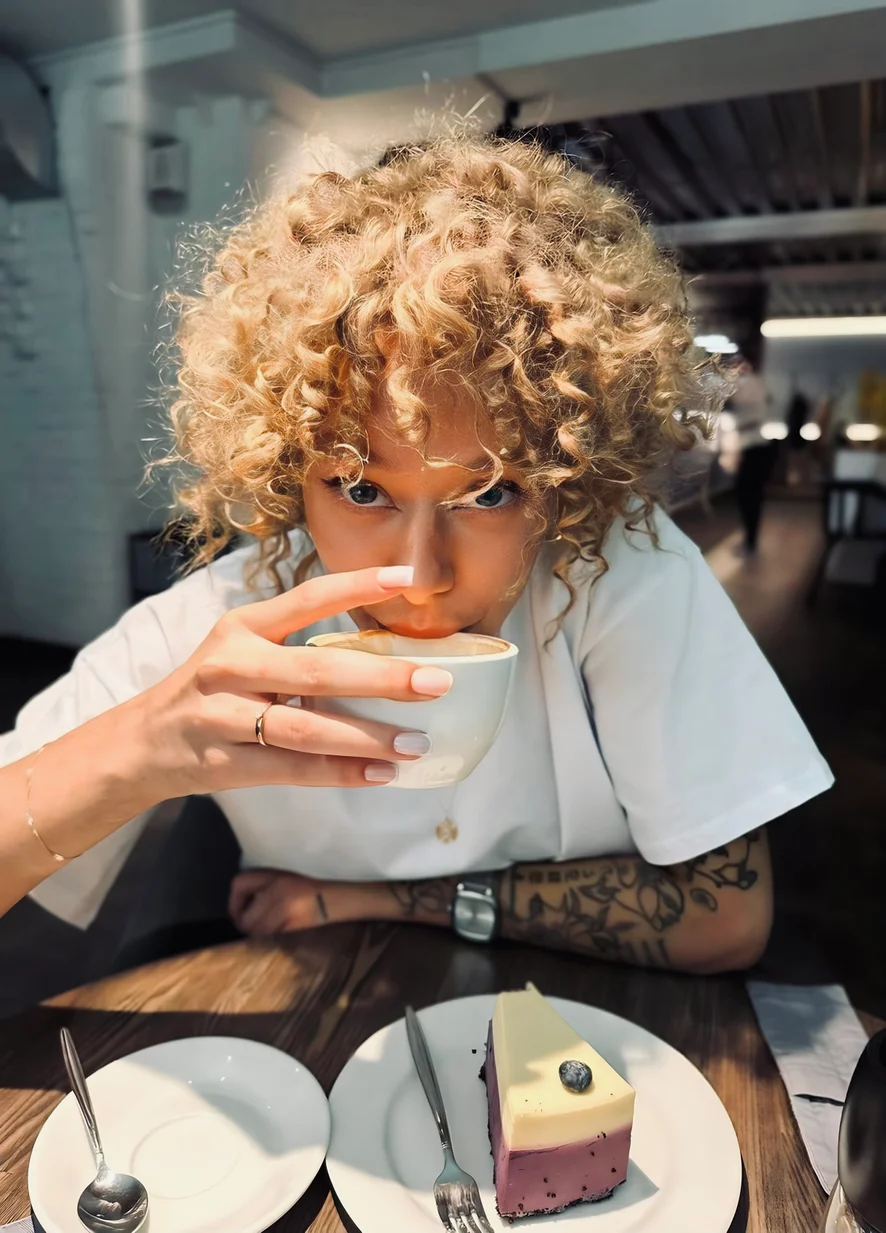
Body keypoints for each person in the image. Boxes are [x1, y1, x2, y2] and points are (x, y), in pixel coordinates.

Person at [0, 137, 832, 975]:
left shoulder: (614, 573)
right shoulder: (227, 617)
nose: (422, 577)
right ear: (290, 468)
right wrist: (140, 750)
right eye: (361, 489)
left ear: (565, 477)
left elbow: (725, 914)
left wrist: (386, 899)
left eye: (491, 493)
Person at [720, 357, 777, 555]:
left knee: (748, 496)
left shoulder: (748, 382)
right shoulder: (755, 382)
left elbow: (728, 398)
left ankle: (750, 541)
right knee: (751, 497)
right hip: (754, 445)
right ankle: (750, 539)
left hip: (752, 446)